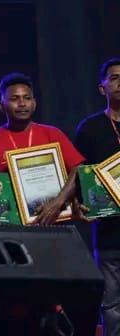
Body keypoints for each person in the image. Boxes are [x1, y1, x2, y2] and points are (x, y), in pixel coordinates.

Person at [0, 73, 85, 224]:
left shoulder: (52, 134)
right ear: (1, 106)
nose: (22, 103)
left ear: (34, 103)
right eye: (14, 99)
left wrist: (57, 203)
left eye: (27, 98)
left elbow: (78, 169)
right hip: (13, 226)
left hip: (56, 220)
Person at [74, 58, 120, 336]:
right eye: (114, 78)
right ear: (102, 87)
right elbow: (78, 176)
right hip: (108, 234)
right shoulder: (90, 128)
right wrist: (78, 204)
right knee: (112, 304)